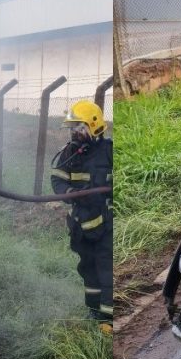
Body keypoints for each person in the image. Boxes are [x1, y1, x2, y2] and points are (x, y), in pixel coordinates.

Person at [51, 100, 113, 333]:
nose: (74, 133)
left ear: (94, 126)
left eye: (79, 127)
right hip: (80, 225)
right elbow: (57, 178)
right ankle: (94, 311)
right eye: (72, 128)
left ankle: (108, 322)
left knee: (107, 270)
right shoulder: (70, 153)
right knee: (88, 269)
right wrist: (69, 192)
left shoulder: (109, 151)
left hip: (105, 226)